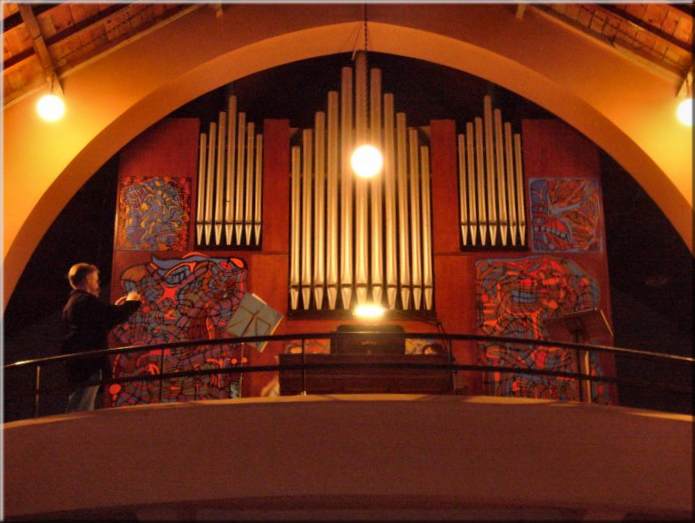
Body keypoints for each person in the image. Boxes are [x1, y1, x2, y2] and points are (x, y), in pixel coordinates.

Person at [62, 263, 141, 412]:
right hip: (88, 363)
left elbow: (98, 324)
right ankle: (74, 434)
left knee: (81, 402)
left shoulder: (73, 302)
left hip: (79, 363)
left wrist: (116, 309)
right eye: (96, 279)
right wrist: (132, 302)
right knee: (81, 407)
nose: (98, 284)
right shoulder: (85, 301)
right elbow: (110, 316)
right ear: (87, 279)